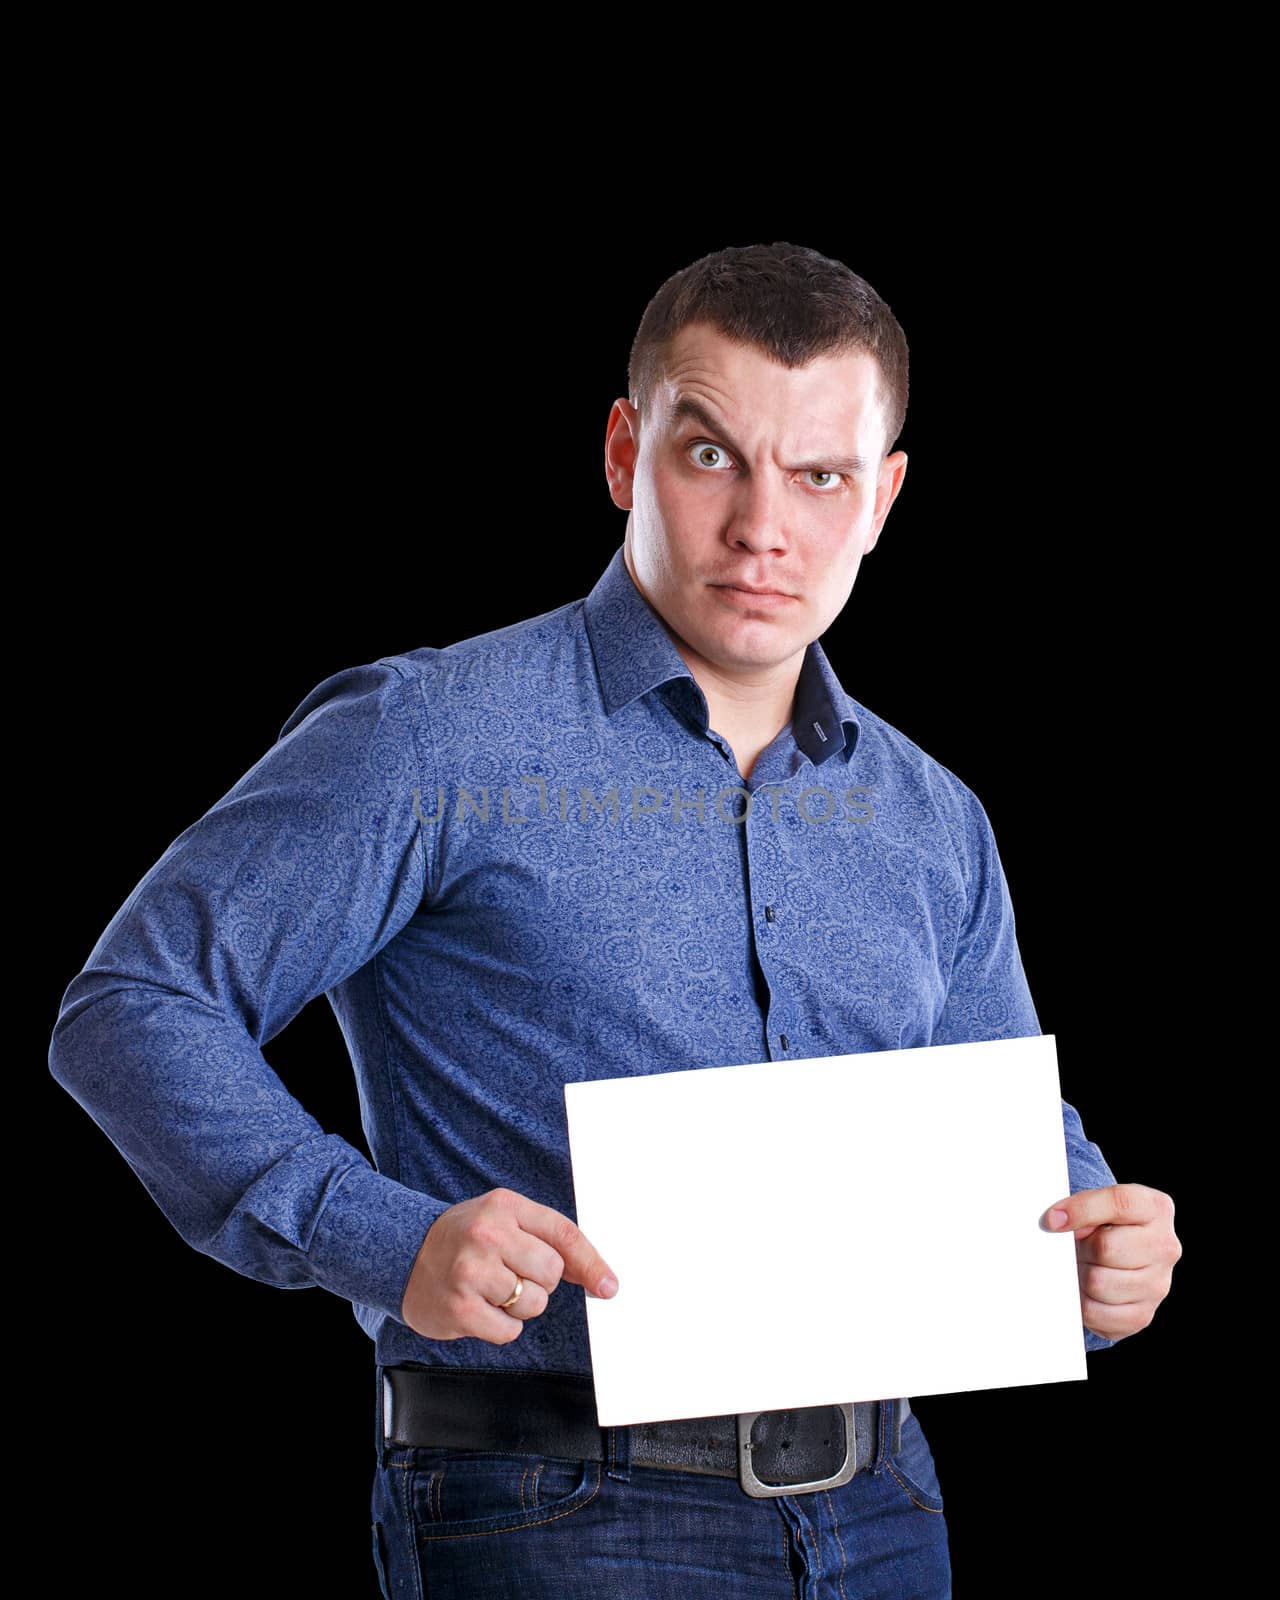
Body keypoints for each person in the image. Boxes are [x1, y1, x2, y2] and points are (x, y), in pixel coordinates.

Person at [48, 241, 1180, 1598]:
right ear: (624, 451)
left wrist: (1103, 1252)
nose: (765, 527)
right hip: (553, 1508)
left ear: (879, 500)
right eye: (714, 458)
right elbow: (134, 1002)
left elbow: (1010, 1140)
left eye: (819, 476)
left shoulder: (935, 817)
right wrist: (384, 1236)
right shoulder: (432, 736)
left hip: (886, 1505)